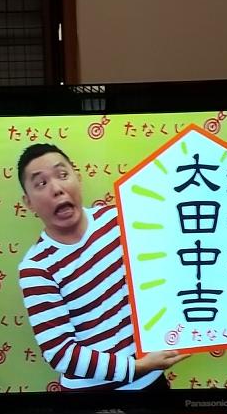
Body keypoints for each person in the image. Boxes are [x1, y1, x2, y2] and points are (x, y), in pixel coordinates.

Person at [17, 143, 188, 390]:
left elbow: (171, 269)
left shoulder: (120, 220)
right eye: (41, 183)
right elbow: (61, 353)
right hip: (90, 397)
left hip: (152, 383)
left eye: (62, 175)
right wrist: (137, 367)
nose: (56, 189)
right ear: (29, 203)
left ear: (78, 178)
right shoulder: (35, 267)